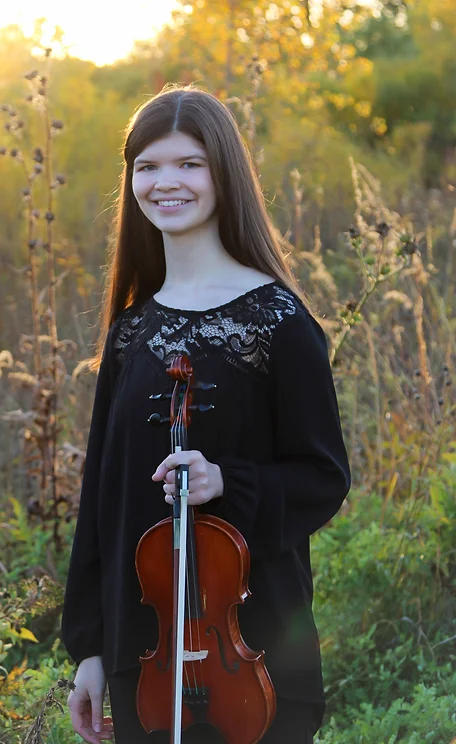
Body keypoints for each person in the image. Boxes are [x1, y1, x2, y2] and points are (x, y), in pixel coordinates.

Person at [62, 85, 351, 744]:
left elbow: (323, 477)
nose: (167, 182)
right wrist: (89, 647)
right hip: (146, 659)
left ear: (225, 173)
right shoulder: (132, 333)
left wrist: (230, 482)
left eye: (189, 163)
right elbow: (101, 503)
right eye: (149, 166)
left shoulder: (279, 322)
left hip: (257, 659)